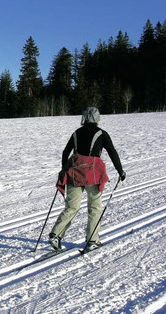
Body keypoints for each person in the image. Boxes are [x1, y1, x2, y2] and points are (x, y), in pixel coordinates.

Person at [48, 107, 126, 252]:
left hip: (74, 175)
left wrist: (64, 168)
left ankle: (55, 235)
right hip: (93, 176)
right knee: (95, 208)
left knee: (71, 207)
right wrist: (120, 171)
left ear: (84, 118)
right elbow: (112, 152)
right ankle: (92, 240)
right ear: (97, 119)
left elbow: (66, 152)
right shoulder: (102, 134)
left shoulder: (76, 133)